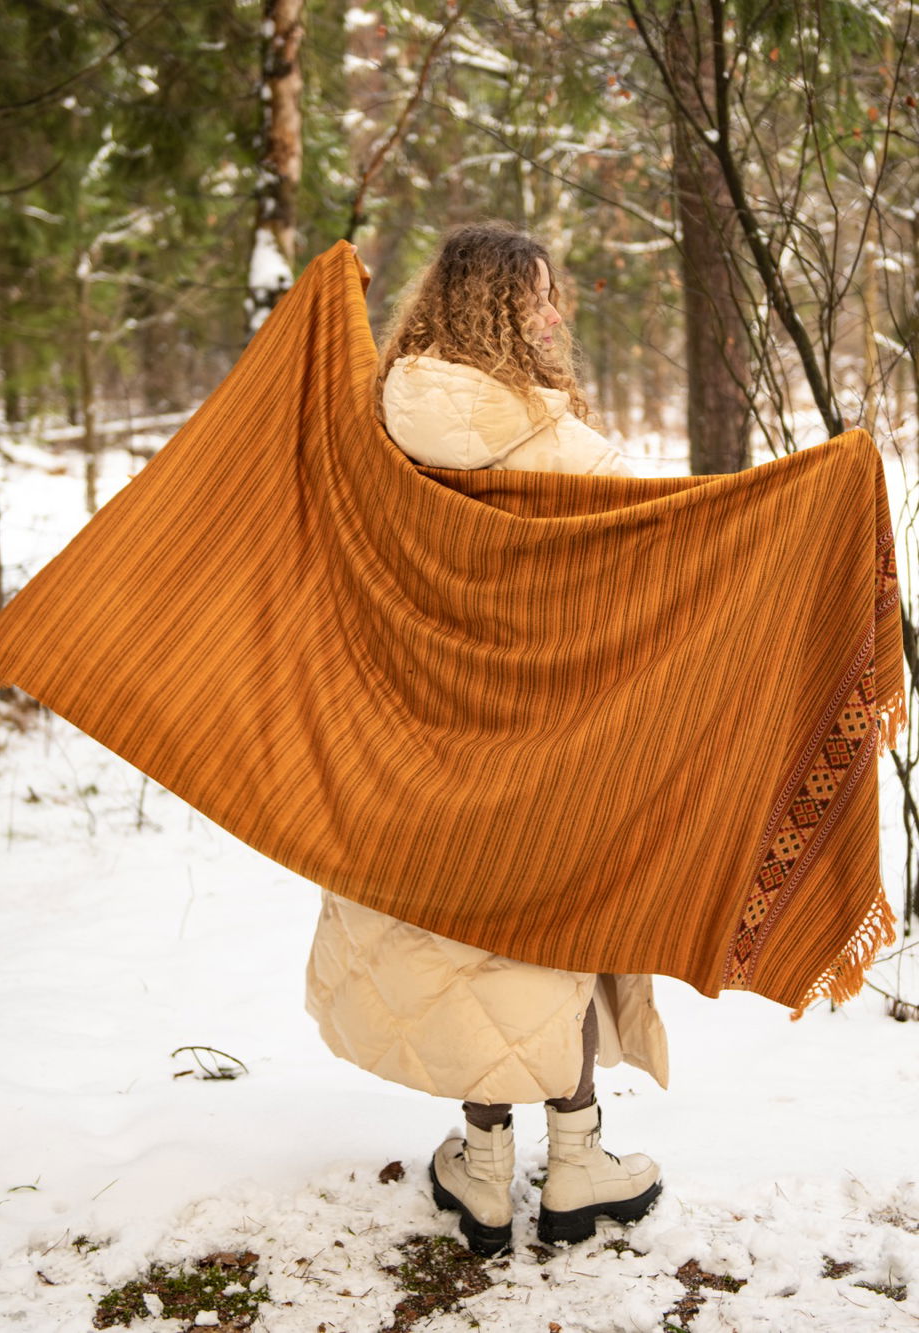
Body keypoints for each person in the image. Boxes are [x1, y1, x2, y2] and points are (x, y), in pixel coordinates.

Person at [305, 222, 668, 1257]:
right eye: (539, 300)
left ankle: (482, 1171)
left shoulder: (365, 432)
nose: (557, 317)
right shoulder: (572, 454)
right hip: (546, 751)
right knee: (547, 959)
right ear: (499, 315)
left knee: (457, 963)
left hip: (403, 750)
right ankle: (580, 1164)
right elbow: (646, 590)